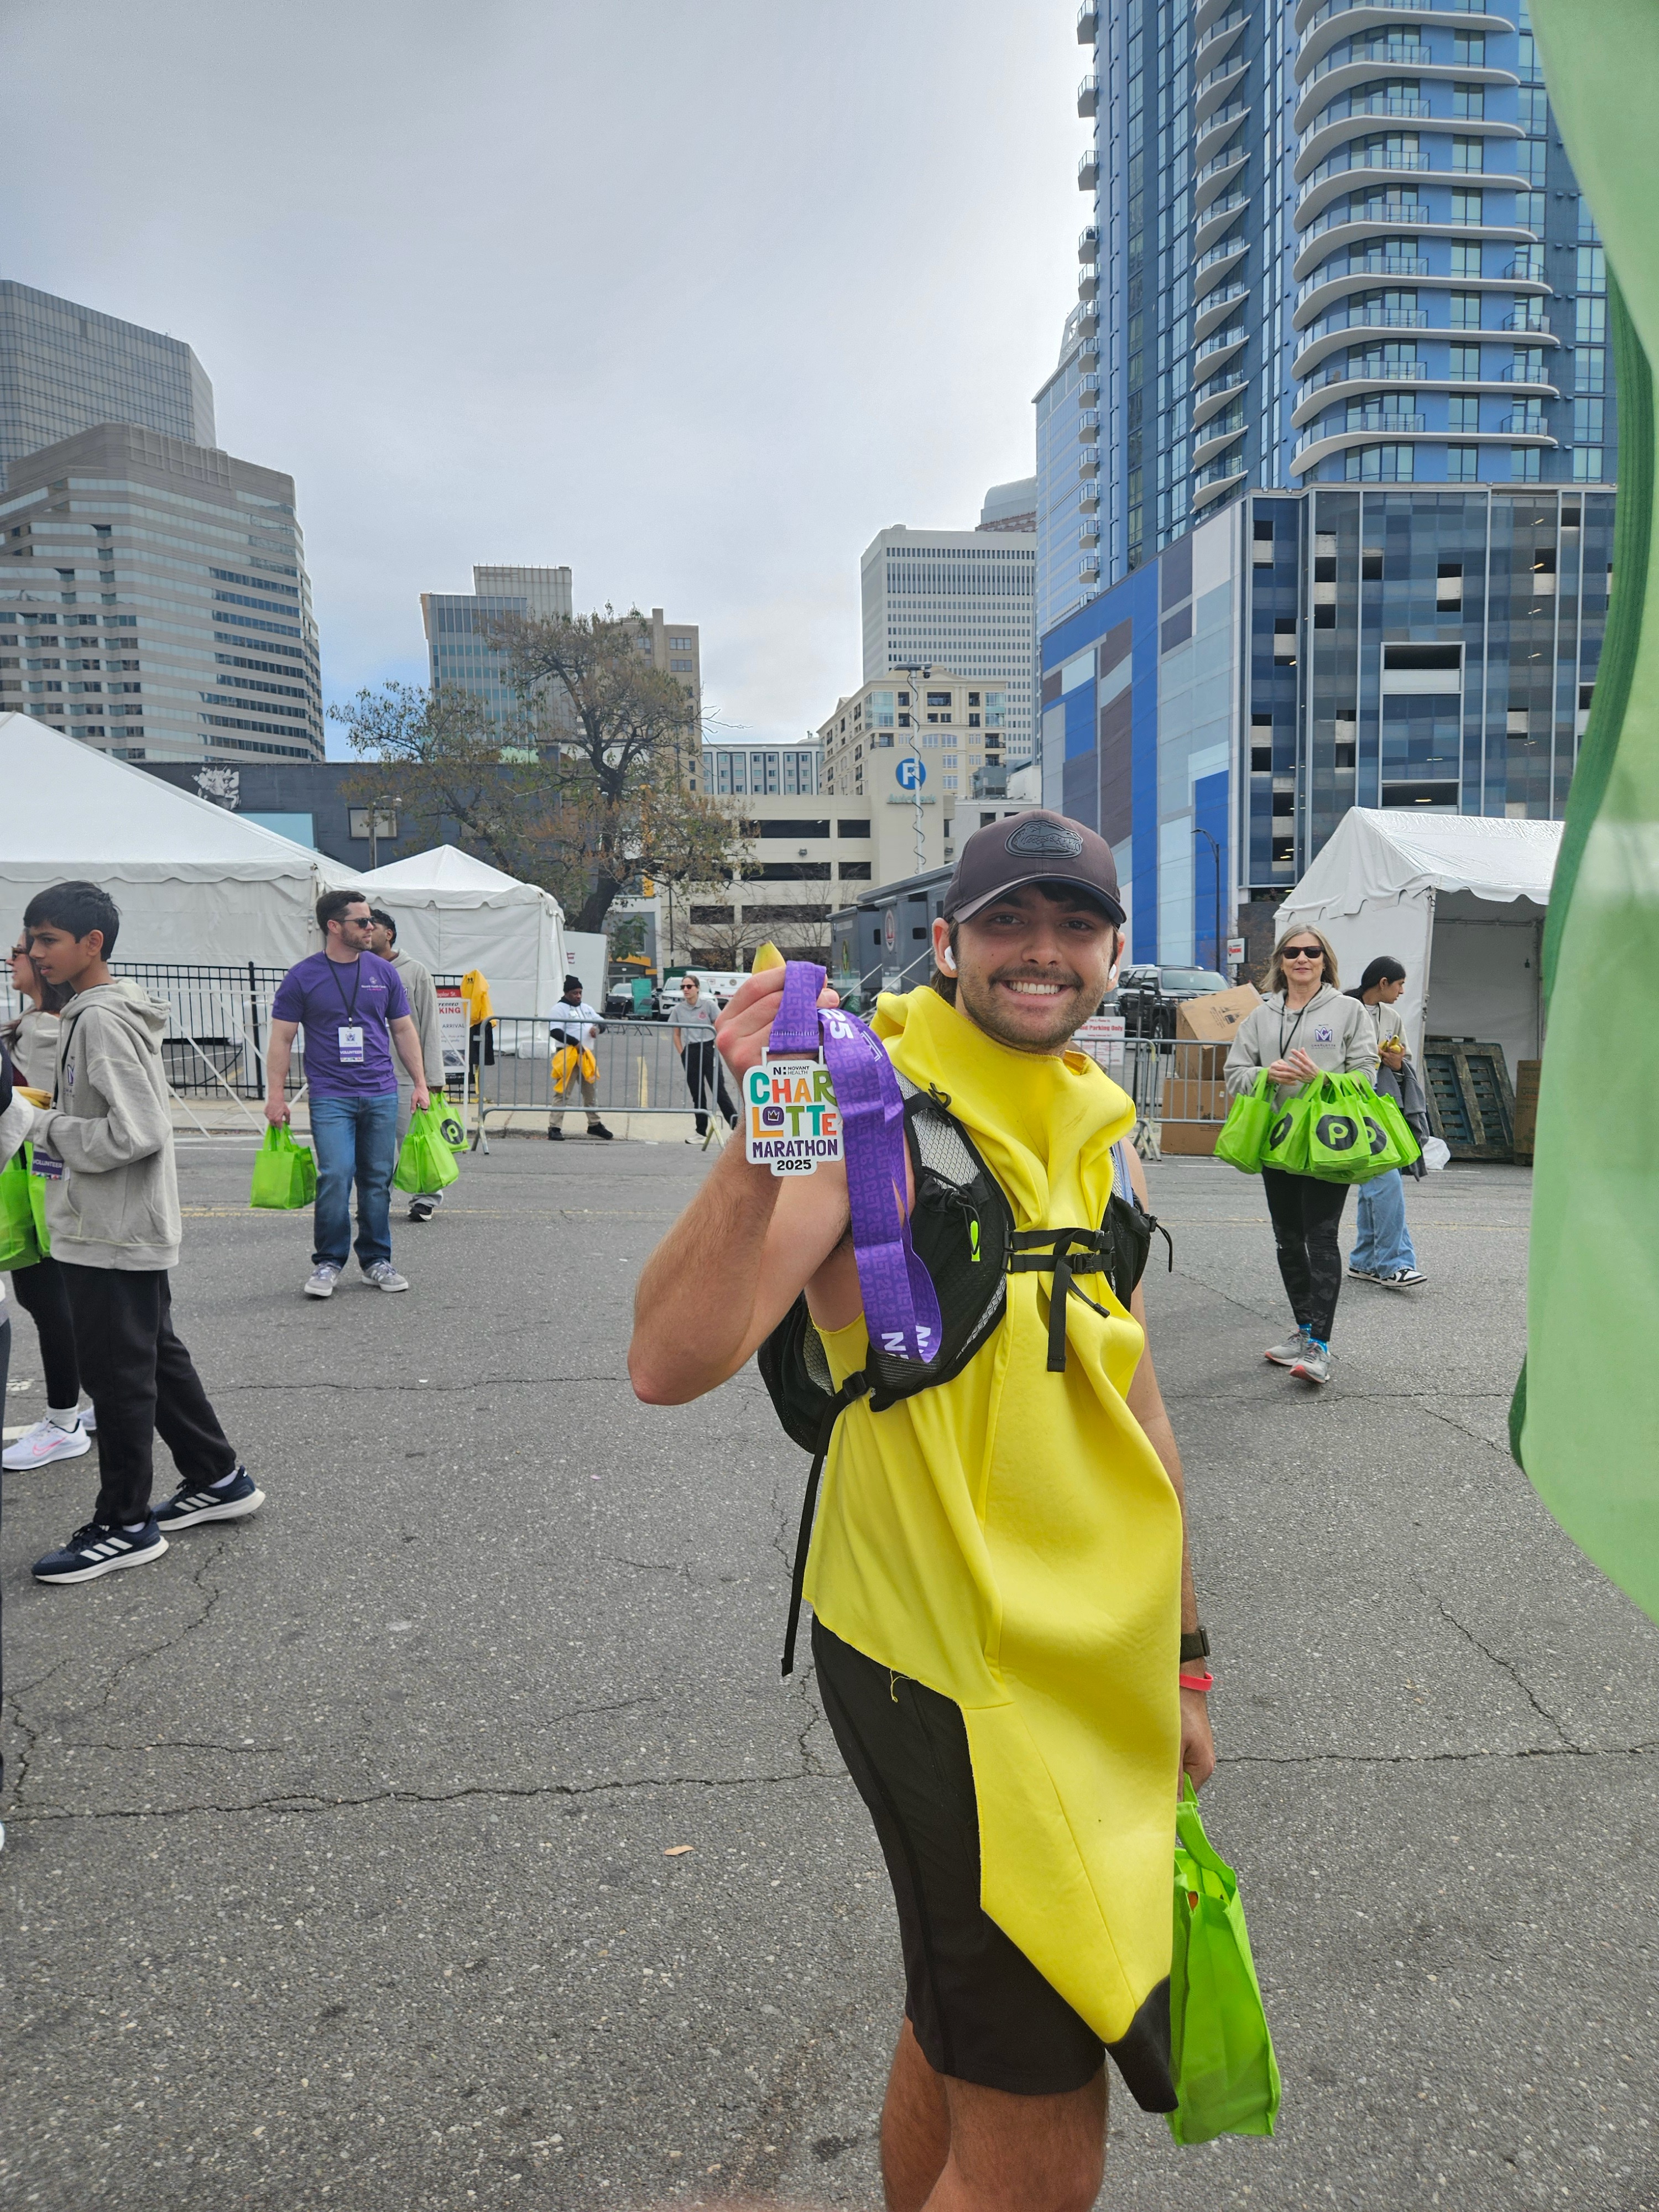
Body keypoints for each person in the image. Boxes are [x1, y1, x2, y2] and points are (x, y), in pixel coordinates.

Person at [630, 811, 1214, 2212]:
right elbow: (670, 1361)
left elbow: (1132, 1405)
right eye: (1009, 921)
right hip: (941, 1668)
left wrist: (1182, 1657)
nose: (1043, 952)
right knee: (1041, 2154)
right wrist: (766, 1130)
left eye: (1074, 926)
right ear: (946, 942)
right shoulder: (869, 1100)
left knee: (962, 2015)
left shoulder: (1094, 1120)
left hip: (1085, 1662)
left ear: (1111, 953)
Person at [17, 881, 262, 1585]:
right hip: (117, 1222)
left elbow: (139, 1131)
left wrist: (44, 1128)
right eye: (32, 941)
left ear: (92, 944)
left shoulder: (99, 1020)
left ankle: (125, 1523)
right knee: (154, 1356)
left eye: (48, 940)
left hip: (112, 1229)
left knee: (118, 1378)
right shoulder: (89, 1014)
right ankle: (218, 1477)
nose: (36, 954)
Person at [1224, 924, 1378, 1386]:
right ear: (1281, 961)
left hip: (1330, 1141)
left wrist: (1323, 1080)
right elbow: (1234, 1074)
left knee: (1322, 1235)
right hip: (1277, 1142)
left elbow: (1368, 1075)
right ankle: (1305, 1327)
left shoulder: (1349, 1010)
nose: (1302, 959)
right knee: (1288, 1238)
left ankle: (1320, 1347)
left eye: (1311, 952)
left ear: (1324, 960)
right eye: (1292, 952)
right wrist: (1265, 1075)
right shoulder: (1260, 1016)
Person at [266, 890, 431, 1298]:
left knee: (377, 1179)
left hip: (380, 1091)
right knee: (336, 1176)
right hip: (331, 1095)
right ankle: (328, 1262)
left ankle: (376, 1260)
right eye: (361, 921)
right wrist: (275, 1097)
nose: (370, 927)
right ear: (334, 927)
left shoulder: (383, 972)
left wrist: (422, 1084)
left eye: (371, 920)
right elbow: (282, 1039)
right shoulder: (303, 976)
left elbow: (404, 1029)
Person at [2, 933, 96, 1468]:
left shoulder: (43, 1029)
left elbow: (30, 1107)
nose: (16, 959)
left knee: (47, 1302)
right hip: (49, 1172)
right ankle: (88, 1407)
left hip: (32, 1174)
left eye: (24, 949)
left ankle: (63, 1418)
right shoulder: (46, 1023)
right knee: (68, 1300)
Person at [1346, 956, 1427, 1291]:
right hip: (1350, 1107)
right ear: (1383, 983)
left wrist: (1395, 1063)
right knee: (1386, 1180)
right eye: (1399, 984)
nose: (1402, 991)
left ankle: (1364, 1260)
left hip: (1381, 1108)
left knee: (1376, 1184)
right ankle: (1395, 1264)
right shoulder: (1343, 1009)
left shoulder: (1391, 1017)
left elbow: (1400, 1062)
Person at [368, 909, 448, 1224]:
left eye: (370, 926)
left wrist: (433, 1077)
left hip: (406, 1077)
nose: (365, 932)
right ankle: (376, 1202)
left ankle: (426, 1199)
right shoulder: (357, 969)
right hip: (371, 1075)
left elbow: (429, 1024)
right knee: (376, 1149)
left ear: (388, 933)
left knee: (417, 1141)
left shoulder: (415, 972)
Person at [666, 972, 736, 1144]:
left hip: (708, 1048)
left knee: (719, 1091)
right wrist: (682, 1053)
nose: (686, 990)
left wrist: (717, 1046)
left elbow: (720, 1025)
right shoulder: (678, 1009)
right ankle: (700, 1131)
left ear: (697, 988)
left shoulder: (708, 1005)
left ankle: (737, 1129)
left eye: (689, 986)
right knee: (697, 1094)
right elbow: (676, 1034)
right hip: (691, 1051)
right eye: (683, 987)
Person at [547, 974, 612, 1141]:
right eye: (575, 993)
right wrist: (575, 1043)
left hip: (586, 1057)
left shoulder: (586, 1008)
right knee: (563, 1092)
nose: (578, 996)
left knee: (590, 1093)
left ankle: (594, 1125)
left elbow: (602, 1022)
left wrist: (597, 1029)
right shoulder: (559, 1009)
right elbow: (555, 1031)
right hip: (569, 1055)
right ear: (567, 993)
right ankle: (554, 1127)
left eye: (580, 993)